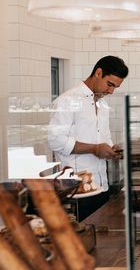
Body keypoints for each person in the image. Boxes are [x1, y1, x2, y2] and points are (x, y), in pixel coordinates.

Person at [48, 56, 129, 220]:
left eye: (115, 88)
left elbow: (104, 140)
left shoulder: (102, 105)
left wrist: (113, 151)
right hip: (76, 191)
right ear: (98, 73)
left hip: (101, 186)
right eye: (110, 84)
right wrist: (94, 149)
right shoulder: (67, 100)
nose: (111, 91)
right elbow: (54, 140)